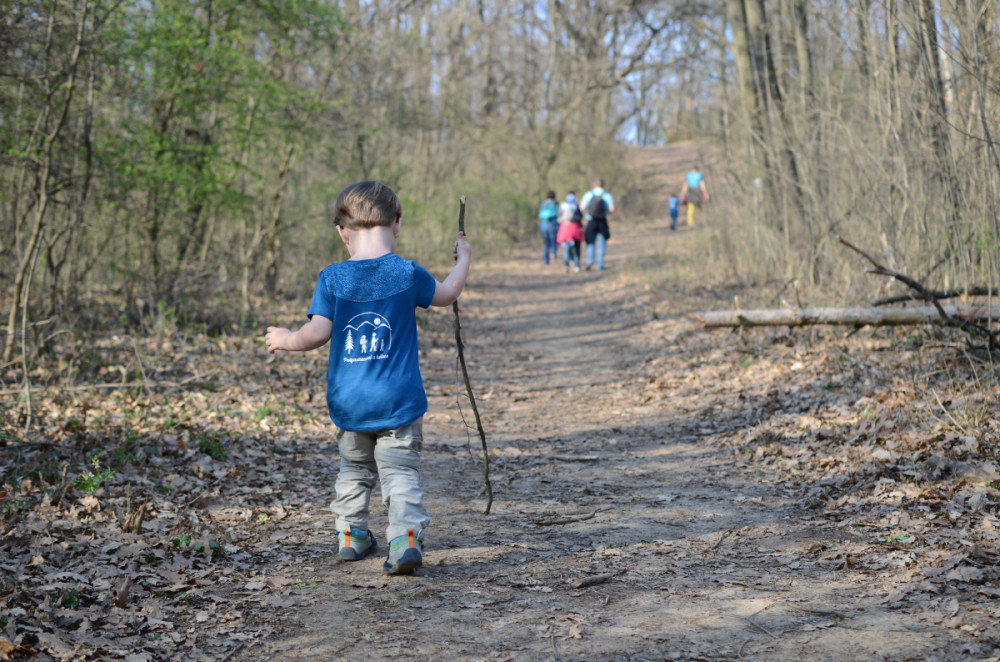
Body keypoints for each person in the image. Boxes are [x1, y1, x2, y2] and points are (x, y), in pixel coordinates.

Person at [264, 181, 471, 576]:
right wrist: (463, 260)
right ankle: (405, 538)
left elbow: (317, 334)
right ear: (397, 225)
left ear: (342, 232)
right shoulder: (407, 273)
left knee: (354, 471)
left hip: (350, 402)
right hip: (397, 402)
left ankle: (351, 535)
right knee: (399, 472)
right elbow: (447, 294)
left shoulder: (331, 278)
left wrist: (286, 339)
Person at [579, 178, 615, 271]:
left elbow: (582, 207)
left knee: (590, 242)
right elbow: (612, 209)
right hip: (602, 221)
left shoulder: (589, 194)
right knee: (601, 243)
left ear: (594, 185)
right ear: (603, 185)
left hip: (591, 221)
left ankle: (589, 261)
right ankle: (599, 264)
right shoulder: (607, 195)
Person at [557, 194, 583, 272]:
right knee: (576, 247)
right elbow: (580, 217)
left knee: (565, 248)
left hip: (564, 229)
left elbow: (558, 218)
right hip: (574, 229)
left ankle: (566, 265)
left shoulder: (562, 206)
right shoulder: (575, 206)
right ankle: (577, 265)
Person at [538, 190, 559, 265]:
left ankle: (545, 261)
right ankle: (553, 252)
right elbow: (558, 214)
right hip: (552, 224)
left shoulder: (543, 204)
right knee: (554, 240)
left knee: (546, 243)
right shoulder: (555, 204)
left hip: (543, 224)